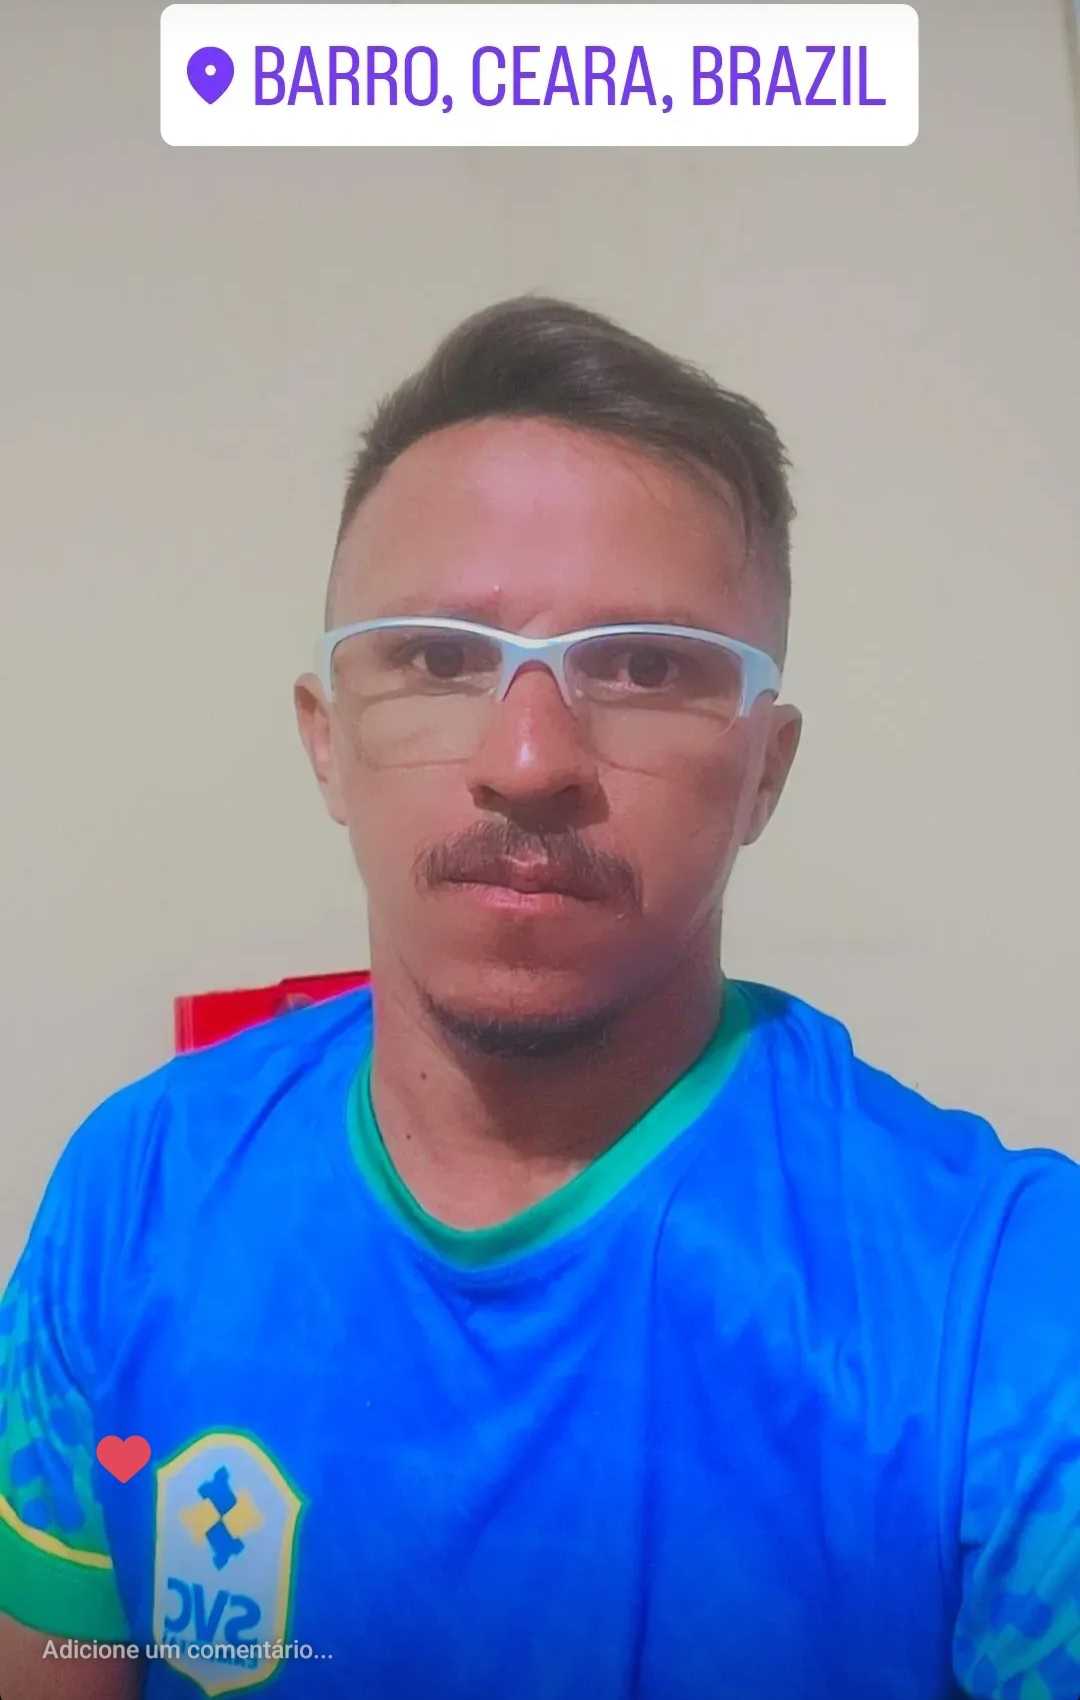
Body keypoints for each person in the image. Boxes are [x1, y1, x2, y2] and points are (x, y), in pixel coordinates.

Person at [1, 295, 1078, 1700]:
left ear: (764, 773)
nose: (528, 760)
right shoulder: (133, 1191)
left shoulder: (1005, 1312)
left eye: (643, 666)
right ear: (327, 743)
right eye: (439, 656)